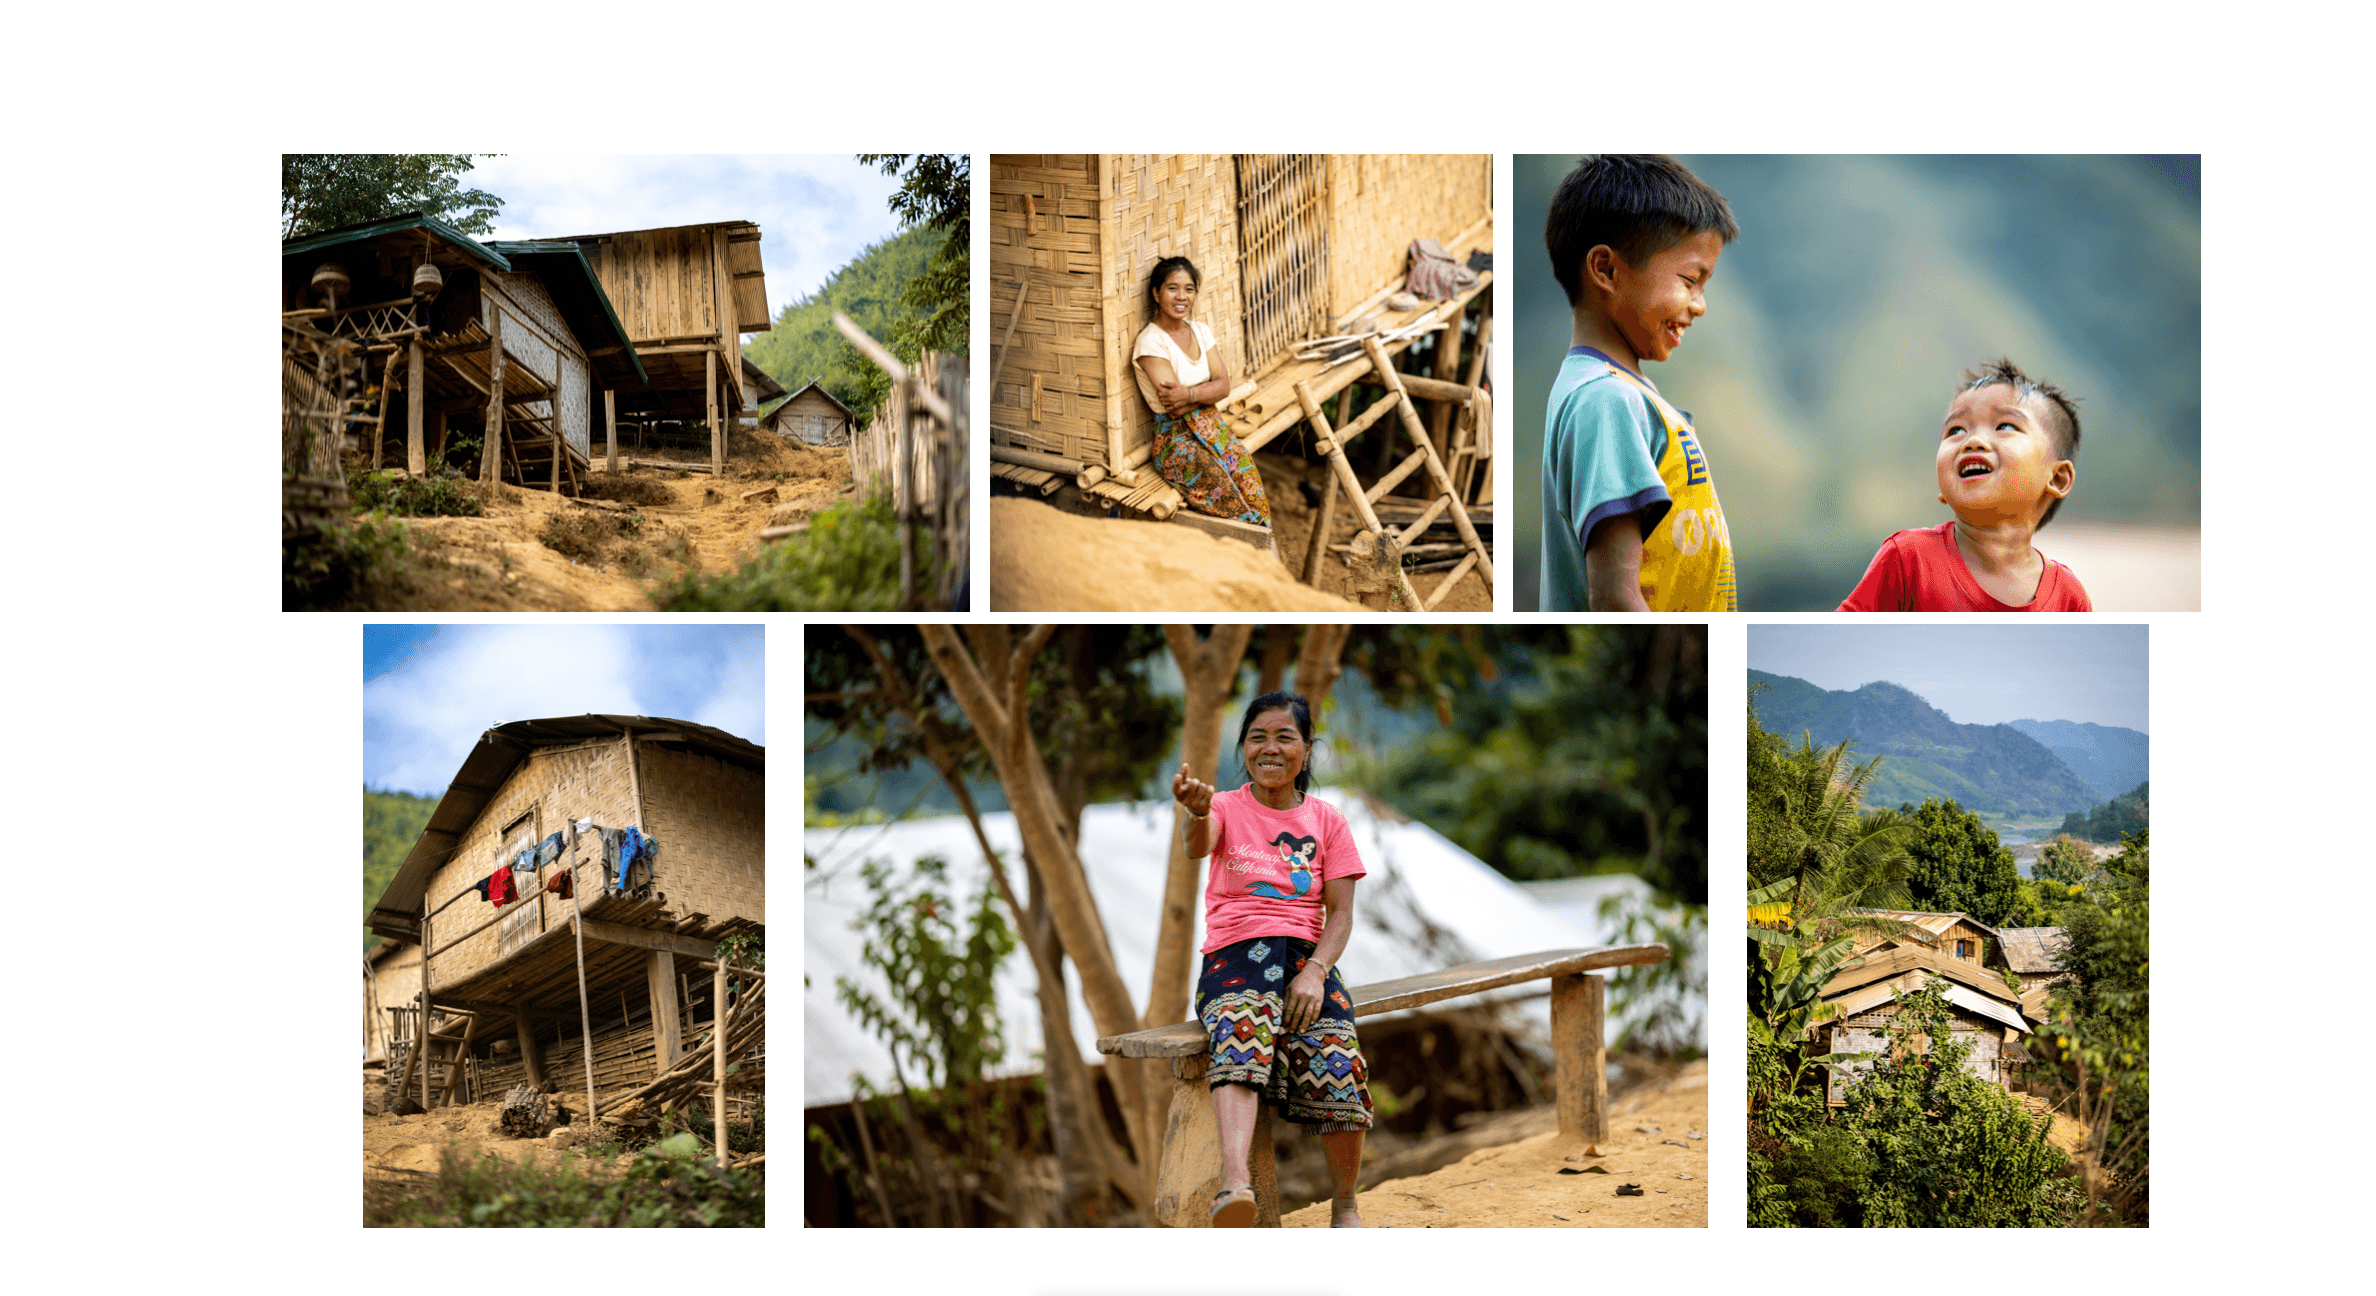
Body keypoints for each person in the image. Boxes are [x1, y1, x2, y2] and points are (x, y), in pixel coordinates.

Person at [1173, 691, 1372, 1227]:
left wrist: (1314, 972)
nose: (1270, 748)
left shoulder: (1328, 821)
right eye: (1257, 737)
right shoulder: (1223, 807)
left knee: (1336, 1055)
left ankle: (1346, 1206)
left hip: (1307, 959)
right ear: (1243, 749)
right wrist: (1195, 811)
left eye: (1285, 736)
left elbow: (1342, 915)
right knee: (1242, 1027)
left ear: (1307, 749)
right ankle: (1234, 1186)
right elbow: (1198, 846)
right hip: (1235, 956)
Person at [1539, 155, 1740, 611]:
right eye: (1690, 281)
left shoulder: (1627, 394)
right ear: (1606, 270)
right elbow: (1615, 597)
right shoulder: (1604, 400)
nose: (1700, 305)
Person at [1838, 357, 2092, 611]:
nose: (1974, 440)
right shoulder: (1907, 560)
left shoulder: (2069, 597)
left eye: (2004, 425)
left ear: (2057, 478)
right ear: (1943, 489)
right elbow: (1838, 643)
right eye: (1956, 430)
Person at [1132, 256, 1279, 560]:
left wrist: (1190, 393)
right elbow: (1172, 406)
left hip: (1215, 429)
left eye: (1189, 289)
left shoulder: (1200, 331)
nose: (1181, 296)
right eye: (1172, 288)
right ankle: (1255, 564)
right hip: (1177, 441)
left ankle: (1271, 565)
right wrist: (1202, 394)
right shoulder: (1150, 342)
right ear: (1156, 294)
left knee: (1250, 483)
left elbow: (1224, 385)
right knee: (1224, 491)